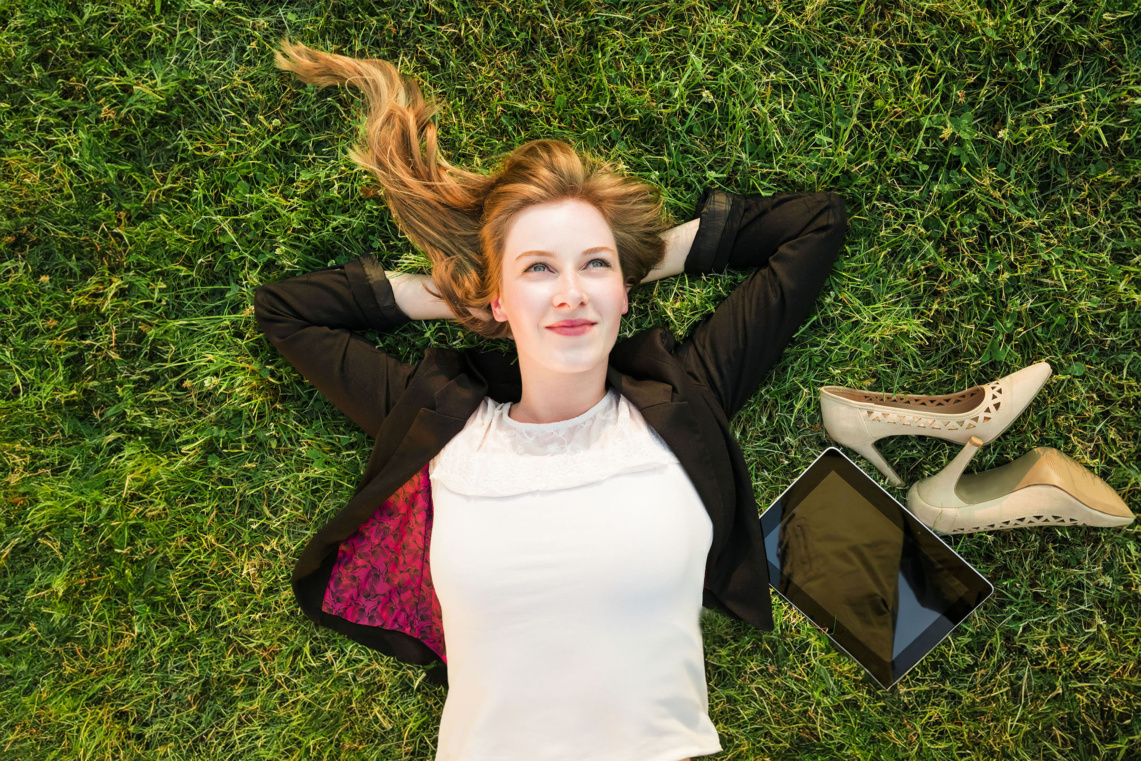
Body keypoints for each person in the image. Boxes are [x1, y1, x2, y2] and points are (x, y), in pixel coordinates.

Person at [256, 38, 848, 761]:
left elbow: (813, 224)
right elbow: (286, 311)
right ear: (501, 297)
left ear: (623, 290)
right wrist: (470, 298)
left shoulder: (682, 395)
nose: (570, 293)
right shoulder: (443, 423)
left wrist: (628, 263)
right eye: (538, 268)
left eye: (592, 265)